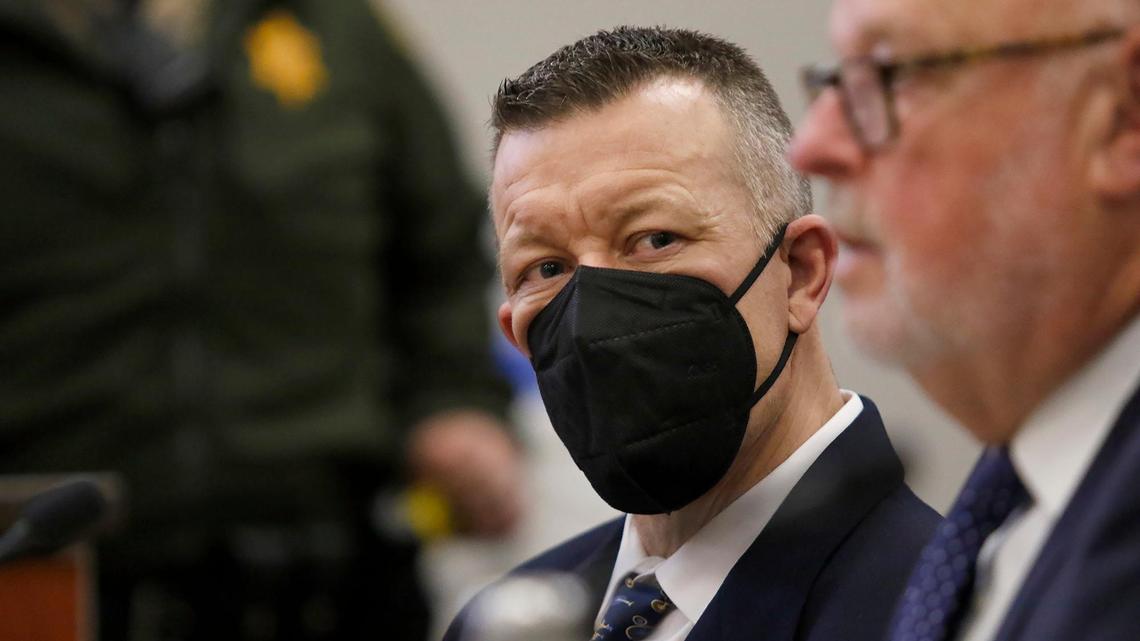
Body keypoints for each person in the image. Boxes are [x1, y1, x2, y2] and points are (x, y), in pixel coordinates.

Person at [0, 1, 519, 640]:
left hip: (332, 572)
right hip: (50, 579)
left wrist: (454, 402)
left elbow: (440, 249)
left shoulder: (336, 26)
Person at [443, 26, 939, 641]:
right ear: (516, 333)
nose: (594, 316)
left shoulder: (946, 608)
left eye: (654, 239)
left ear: (801, 274)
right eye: (546, 269)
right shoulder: (502, 624)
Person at [789, 0, 1140, 640]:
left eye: (891, 73)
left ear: (1125, 115)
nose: (812, 146)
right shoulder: (1016, 499)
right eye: (839, 78)